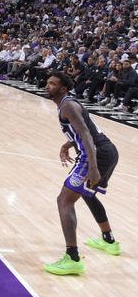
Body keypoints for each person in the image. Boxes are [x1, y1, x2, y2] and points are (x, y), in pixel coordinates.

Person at [43, 71, 121, 276]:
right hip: (106, 150)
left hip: (95, 154)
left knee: (64, 200)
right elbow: (85, 129)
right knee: (86, 194)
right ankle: (109, 240)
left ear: (63, 88)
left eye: (52, 83)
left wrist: (93, 167)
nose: (47, 85)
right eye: (47, 82)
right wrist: (68, 143)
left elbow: (86, 134)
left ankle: (72, 258)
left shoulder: (68, 105)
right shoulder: (68, 104)